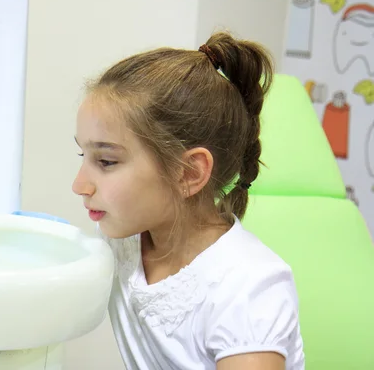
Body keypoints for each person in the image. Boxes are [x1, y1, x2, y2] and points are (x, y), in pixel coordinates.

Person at [72, 32, 305, 370]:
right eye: (83, 154)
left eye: (106, 162)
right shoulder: (122, 240)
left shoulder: (248, 290)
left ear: (189, 174)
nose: (79, 185)